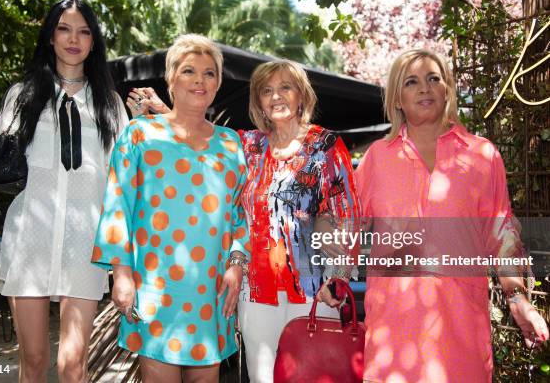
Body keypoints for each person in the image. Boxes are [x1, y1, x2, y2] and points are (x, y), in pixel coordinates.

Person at [320, 48, 548, 382]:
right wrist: (338, 276)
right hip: (393, 336)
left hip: (461, 329)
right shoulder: (376, 159)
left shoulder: (482, 155)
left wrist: (516, 297)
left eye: (433, 79)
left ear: (447, 90)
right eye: (412, 82)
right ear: (398, 99)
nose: (425, 88)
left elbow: (501, 234)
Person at [128, 59, 360, 382]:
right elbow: (198, 140)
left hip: (313, 290)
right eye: (266, 91)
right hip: (256, 290)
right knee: (262, 377)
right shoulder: (247, 146)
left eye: (285, 88)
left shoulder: (325, 146)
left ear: (301, 96)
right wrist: (164, 111)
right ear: (259, 102)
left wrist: (337, 278)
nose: (276, 96)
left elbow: (347, 215)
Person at [0, 0, 129, 382]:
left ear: (94, 42)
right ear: (51, 36)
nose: (73, 39)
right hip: (30, 237)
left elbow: (126, 182)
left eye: (84, 31)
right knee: (32, 360)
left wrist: (124, 259)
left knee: (72, 365)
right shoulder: (23, 95)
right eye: (65, 29)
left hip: (87, 243)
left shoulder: (110, 105)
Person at [92, 34, 250, 382]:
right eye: (189, 71)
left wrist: (237, 266)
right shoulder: (139, 134)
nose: (200, 80)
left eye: (210, 73)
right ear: (171, 80)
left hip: (211, 290)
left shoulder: (231, 143)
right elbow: (118, 205)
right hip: (154, 287)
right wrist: (120, 274)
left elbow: (239, 214)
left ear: (218, 83)